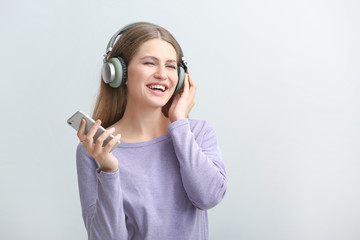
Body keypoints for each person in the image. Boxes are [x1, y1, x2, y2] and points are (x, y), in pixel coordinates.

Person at [75, 22, 227, 240]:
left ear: (181, 77)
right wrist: (109, 170)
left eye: (171, 66)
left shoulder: (198, 133)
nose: (162, 74)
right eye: (149, 63)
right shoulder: (96, 148)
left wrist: (180, 124)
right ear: (120, 73)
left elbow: (208, 197)